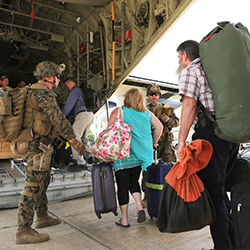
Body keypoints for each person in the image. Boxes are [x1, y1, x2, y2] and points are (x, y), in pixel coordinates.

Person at [176, 40, 239, 250]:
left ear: (185, 55)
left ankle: (223, 247)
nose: (179, 61)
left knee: (214, 193)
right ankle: (234, 240)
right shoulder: (213, 70)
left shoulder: (190, 71)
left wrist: (181, 141)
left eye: (178, 57)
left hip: (210, 137)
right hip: (229, 134)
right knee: (220, 192)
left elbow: (189, 104)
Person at [15, 61, 86, 244]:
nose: (58, 80)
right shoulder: (42, 93)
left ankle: (42, 215)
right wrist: (74, 141)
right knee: (32, 185)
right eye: (57, 77)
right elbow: (57, 117)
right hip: (36, 146)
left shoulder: (34, 91)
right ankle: (23, 230)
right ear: (50, 77)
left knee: (43, 180)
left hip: (40, 144)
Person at [107, 88, 163, 227]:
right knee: (134, 182)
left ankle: (124, 219)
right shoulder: (147, 114)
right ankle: (139, 207)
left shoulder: (120, 111)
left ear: (127, 98)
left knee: (122, 186)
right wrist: (154, 142)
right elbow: (159, 127)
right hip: (139, 155)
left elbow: (108, 131)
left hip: (122, 155)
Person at [141, 84, 179, 207]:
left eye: (156, 94)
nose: (154, 96)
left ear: (159, 95)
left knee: (171, 167)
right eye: (151, 94)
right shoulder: (143, 110)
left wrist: (168, 120)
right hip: (150, 144)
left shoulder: (166, 109)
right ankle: (147, 197)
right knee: (148, 169)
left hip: (166, 143)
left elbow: (177, 122)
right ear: (147, 96)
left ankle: (172, 194)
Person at [63, 77, 95, 170]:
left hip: (83, 115)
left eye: (66, 85)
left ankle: (80, 162)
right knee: (84, 137)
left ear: (69, 82)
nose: (66, 88)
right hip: (89, 115)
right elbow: (75, 108)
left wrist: (63, 116)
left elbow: (69, 105)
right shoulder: (81, 91)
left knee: (74, 137)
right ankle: (89, 157)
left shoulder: (75, 90)